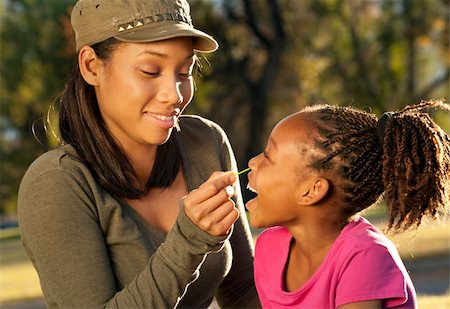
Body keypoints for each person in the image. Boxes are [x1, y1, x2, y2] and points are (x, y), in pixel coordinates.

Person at [17, 0, 260, 308]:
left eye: (184, 72)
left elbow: (243, 291)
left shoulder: (205, 142)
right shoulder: (56, 184)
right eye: (150, 71)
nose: (173, 94)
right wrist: (188, 244)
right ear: (92, 66)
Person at [245, 99, 450, 308]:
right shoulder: (269, 247)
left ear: (312, 191)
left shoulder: (364, 255)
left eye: (268, 156)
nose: (253, 162)